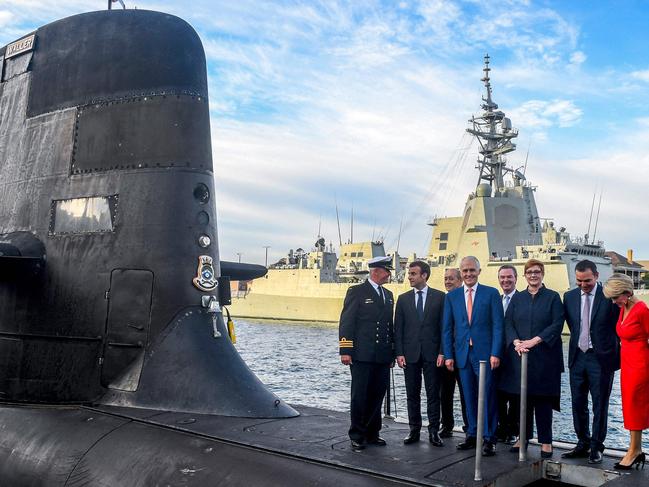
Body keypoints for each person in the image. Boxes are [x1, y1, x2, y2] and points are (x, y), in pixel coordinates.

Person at [502, 259, 563, 459]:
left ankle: (546, 441)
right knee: (521, 401)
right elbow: (508, 323)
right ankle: (523, 437)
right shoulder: (517, 299)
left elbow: (556, 324)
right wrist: (516, 342)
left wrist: (534, 341)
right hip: (520, 358)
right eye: (529, 272)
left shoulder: (553, 298)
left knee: (543, 401)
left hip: (545, 359)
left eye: (537, 272)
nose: (533, 275)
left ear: (542, 274)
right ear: (525, 275)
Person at [443, 256, 503, 456]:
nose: (468, 274)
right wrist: (449, 355)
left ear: (479, 271)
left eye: (472, 270)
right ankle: (472, 434)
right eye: (465, 271)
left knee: (487, 396)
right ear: (461, 273)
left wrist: (496, 352)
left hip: (485, 355)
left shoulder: (491, 294)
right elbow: (447, 329)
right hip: (462, 355)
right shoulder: (452, 297)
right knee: (468, 396)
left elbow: (498, 326)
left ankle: (489, 438)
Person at [562, 260, 620, 464]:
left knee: (600, 404)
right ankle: (582, 443)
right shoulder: (568, 297)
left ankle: (597, 447)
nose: (583, 285)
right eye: (579, 281)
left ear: (596, 276)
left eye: (587, 280)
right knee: (578, 403)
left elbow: (617, 327)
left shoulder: (609, 297)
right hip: (577, 357)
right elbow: (573, 325)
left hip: (601, 359)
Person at [339, 256, 395, 452]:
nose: (389, 274)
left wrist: (391, 354)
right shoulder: (357, 292)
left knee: (377, 395)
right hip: (361, 355)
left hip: (381, 355)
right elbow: (347, 321)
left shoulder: (388, 295)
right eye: (387, 271)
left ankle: (373, 433)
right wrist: (346, 350)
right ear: (376, 271)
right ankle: (357, 434)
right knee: (360, 396)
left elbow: (389, 326)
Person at [395, 261, 446, 446]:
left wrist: (442, 352)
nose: (409, 276)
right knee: (412, 394)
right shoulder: (403, 299)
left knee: (433, 395)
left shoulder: (440, 298)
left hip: (433, 355)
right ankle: (414, 430)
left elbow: (444, 328)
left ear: (424, 275)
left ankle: (434, 432)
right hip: (410, 355)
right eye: (409, 273)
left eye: (413, 273)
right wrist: (399, 353)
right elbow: (398, 329)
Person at [603, 273, 649, 470]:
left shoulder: (641, 310)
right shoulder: (625, 308)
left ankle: (633, 451)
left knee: (635, 405)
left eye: (615, 298)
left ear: (627, 293)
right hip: (627, 364)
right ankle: (635, 449)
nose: (614, 302)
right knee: (629, 406)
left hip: (640, 365)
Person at [439, 268, 468, 438]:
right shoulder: (442, 300)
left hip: (464, 355)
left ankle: (469, 426)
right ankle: (447, 425)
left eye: (451, 278)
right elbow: (441, 330)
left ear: (460, 280)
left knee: (466, 394)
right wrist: (442, 352)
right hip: (446, 354)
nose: (448, 281)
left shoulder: (467, 299)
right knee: (445, 393)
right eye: (445, 278)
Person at [496, 264, 519, 445]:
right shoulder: (496, 299)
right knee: (498, 395)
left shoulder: (522, 299)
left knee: (516, 396)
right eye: (502, 277)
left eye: (509, 277)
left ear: (516, 278)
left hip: (516, 355)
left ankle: (513, 431)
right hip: (498, 354)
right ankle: (501, 429)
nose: (506, 280)